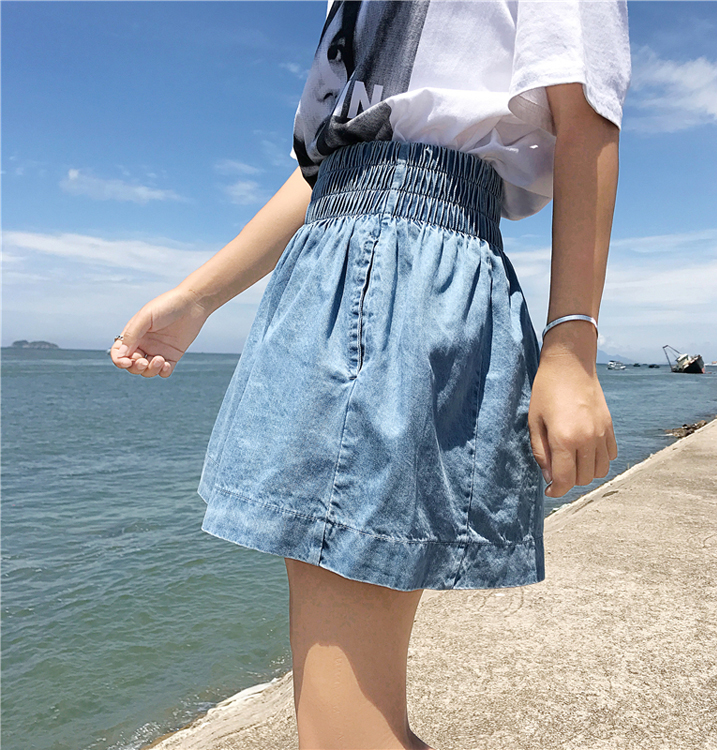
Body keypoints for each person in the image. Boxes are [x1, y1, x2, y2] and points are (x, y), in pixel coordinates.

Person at [111, 1, 630, 748]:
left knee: (344, 727)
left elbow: (586, 112)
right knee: (346, 713)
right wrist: (197, 298)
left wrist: (571, 344)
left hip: (398, 265)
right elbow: (330, 164)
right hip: (336, 255)